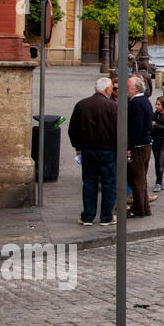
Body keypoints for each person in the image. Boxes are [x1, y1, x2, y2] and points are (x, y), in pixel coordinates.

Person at [68, 76, 119, 226]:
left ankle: (88, 216)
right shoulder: (112, 107)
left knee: (89, 183)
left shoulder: (81, 105)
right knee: (108, 183)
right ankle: (106, 216)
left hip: (87, 150)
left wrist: (78, 147)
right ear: (107, 89)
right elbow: (118, 130)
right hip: (107, 150)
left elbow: (73, 130)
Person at [126, 75, 156, 217]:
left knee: (136, 178)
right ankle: (145, 207)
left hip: (139, 146)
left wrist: (130, 147)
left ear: (136, 88)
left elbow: (136, 128)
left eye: (128, 87)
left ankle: (138, 208)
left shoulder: (136, 102)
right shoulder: (143, 100)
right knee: (141, 178)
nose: (126, 90)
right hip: (145, 144)